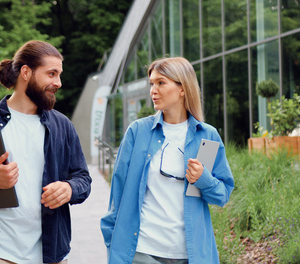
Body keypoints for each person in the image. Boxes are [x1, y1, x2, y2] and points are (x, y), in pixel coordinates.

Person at [0, 40, 92, 264]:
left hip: (52, 253)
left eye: (59, 75)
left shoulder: (63, 126)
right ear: (26, 72)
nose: (58, 82)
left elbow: (83, 179)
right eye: (51, 74)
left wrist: (70, 188)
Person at [100, 57, 234, 264]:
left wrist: (203, 179)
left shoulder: (206, 136)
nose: (153, 90)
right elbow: (117, 194)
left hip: (190, 255)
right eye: (152, 83)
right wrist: (112, 244)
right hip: (141, 251)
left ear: (182, 89)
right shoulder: (138, 132)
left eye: (161, 83)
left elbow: (222, 195)